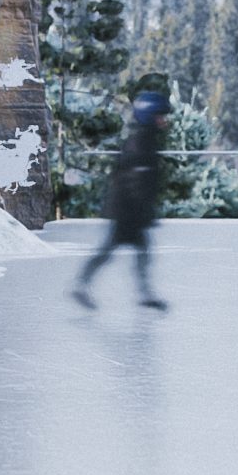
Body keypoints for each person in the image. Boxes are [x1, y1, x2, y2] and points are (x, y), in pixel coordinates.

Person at [73, 86, 172, 309]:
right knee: (112, 249)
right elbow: (135, 181)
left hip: (126, 210)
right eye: (160, 116)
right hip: (128, 211)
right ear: (150, 116)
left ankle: (142, 293)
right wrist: (140, 212)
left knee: (135, 250)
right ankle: (82, 285)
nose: (164, 121)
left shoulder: (144, 138)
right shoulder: (142, 142)